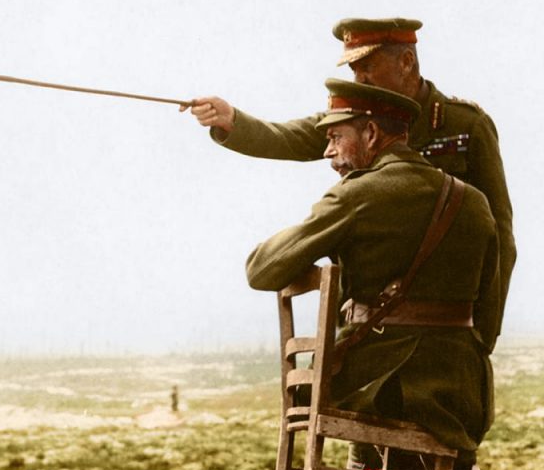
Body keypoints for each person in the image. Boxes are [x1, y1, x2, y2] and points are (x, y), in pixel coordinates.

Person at [245, 79, 501, 470]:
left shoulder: (359, 195)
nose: (328, 152)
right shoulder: (474, 202)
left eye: (334, 137)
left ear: (369, 133)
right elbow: (490, 288)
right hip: (462, 392)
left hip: (386, 389)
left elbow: (262, 270)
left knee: (363, 427)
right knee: (420, 461)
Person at [181, 18, 515, 333]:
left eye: (367, 68)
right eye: (355, 70)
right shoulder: (354, 119)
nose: (359, 81)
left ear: (407, 62)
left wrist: (483, 333)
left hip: (446, 317)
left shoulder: (466, 125)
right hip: (376, 318)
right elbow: (288, 136)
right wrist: (231, 120)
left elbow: (499, 235)